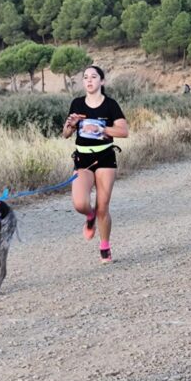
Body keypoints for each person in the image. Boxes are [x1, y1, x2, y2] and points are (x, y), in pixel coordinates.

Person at [63, 65, 128, 263]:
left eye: (93, 77)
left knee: (103, 207)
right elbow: (66, 134)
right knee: (80, 204)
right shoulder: (77, 103)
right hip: (83, 159)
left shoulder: (110, 105)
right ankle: (89, 216)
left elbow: (123, 131)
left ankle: (105, 246)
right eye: (85, 77)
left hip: (105, 158)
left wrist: (101, 129)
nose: (89, 80)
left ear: (102, 81)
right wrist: (71, 125)